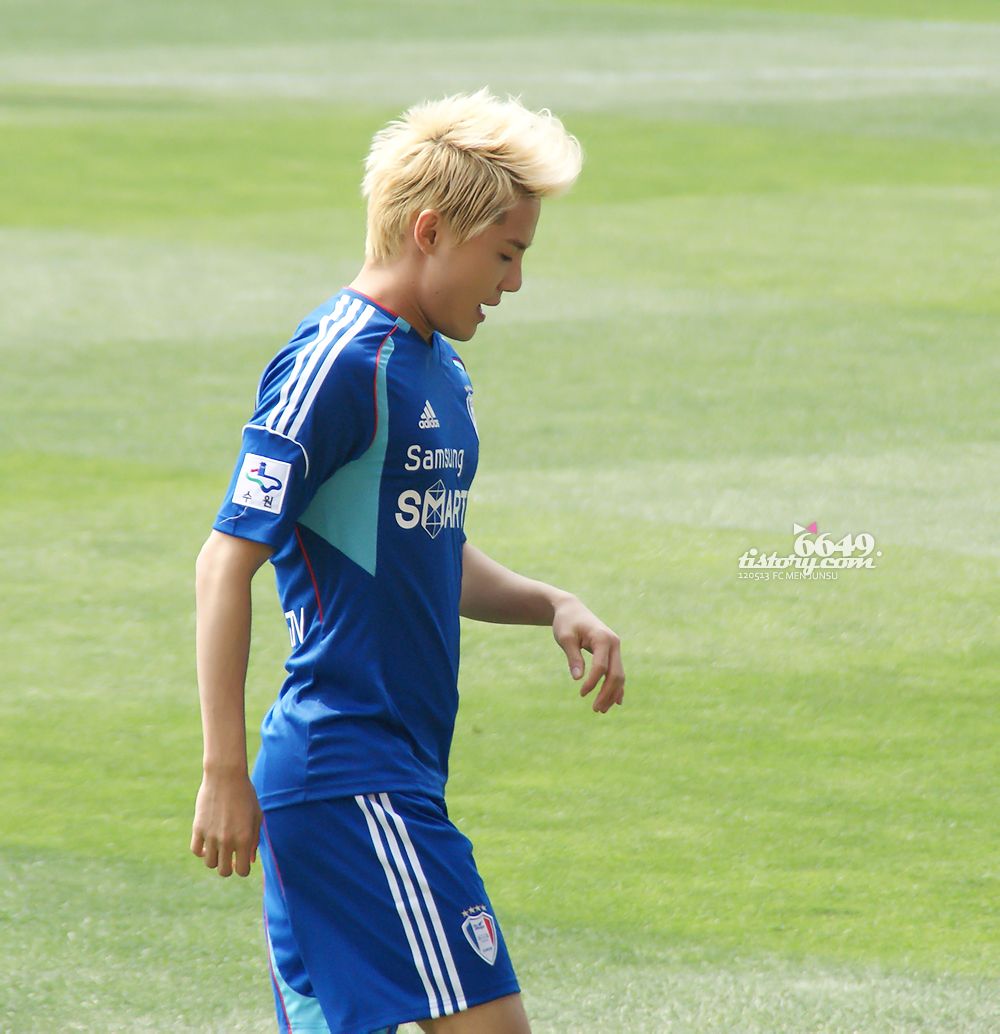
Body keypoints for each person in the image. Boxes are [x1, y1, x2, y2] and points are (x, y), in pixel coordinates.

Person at [190, 88, 625, 1034]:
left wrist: (551, 601)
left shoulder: (439, 367)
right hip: (351, 772)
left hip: (388, 770)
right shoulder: (337, 364)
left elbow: (425, 550)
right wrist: (223, 769)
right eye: (505, 253)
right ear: (431, 230)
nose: (515, 281)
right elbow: (224, 560)